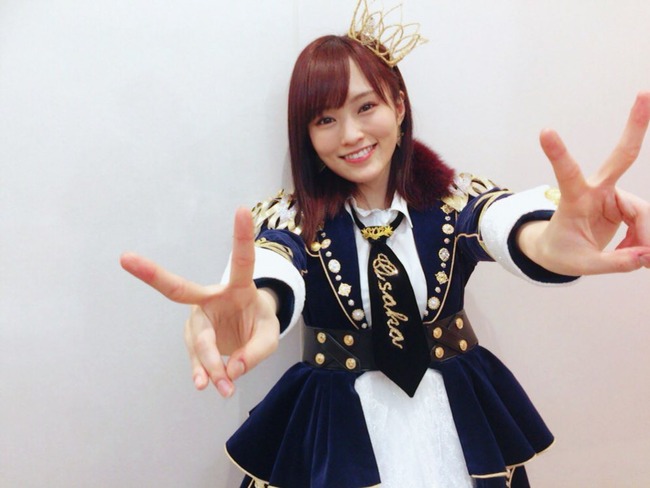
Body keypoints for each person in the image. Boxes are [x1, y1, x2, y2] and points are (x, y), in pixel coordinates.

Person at [120, 2, 650, 486]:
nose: (350, 134)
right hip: (339, 431)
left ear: (398, 105)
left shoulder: (453, 198)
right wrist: (257, 303)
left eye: (365, 106)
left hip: (453, 424)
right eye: (325, 119)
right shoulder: (293, 219)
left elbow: (502, 220)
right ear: (307, 135)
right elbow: (273, 263)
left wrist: (548, 240)